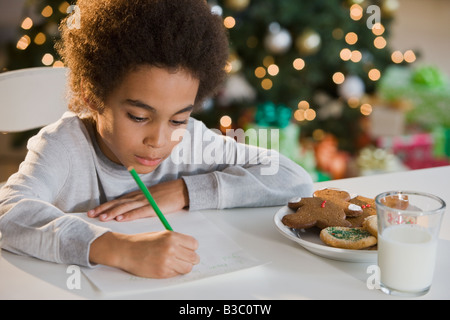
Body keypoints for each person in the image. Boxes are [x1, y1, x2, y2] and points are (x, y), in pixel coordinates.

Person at [0, 0, 313, 279]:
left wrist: (184, 191)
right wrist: (117, 249)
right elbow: (9, 213)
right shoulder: (64, 147)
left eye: (178, 118)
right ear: (92, 94)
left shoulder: (190, 140)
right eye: (138, 117)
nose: (160, 140)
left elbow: (293, 178)